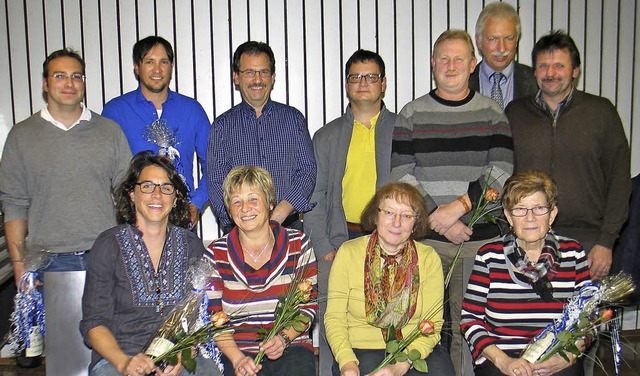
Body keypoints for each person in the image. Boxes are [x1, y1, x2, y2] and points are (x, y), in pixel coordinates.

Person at [0, 48, 132, 370]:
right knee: (65, 360)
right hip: (49, 263)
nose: (69, 83)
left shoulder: (109, 132)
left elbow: (129, 196)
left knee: (110, 353)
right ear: (45, 84)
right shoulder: (22, 136)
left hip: (104, 257)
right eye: (60, 76)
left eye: (76, 76)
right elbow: (15, 205)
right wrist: (20, 268)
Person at [391, 29, 513, 374]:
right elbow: (401, 172)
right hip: (424, 240)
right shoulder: (411, 114)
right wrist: (435, 217)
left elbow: (501, 172)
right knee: (416, 326)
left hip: (478, 242)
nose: (451, 65)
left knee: (467, 328)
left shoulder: (493, 114)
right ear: (432, 63)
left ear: (473, 65)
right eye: (443, 58)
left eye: (459, 58)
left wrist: (459, 208)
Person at [303, 49, 411, 376]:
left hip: (390, 238)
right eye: (355, 77)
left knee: (393, 321)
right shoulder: (326, 136)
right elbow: (315, 196)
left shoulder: (403, 129)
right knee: (334, 320)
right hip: (341, 239)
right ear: (347, 84)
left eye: (371, 77)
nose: (363, 83)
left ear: (384, 84)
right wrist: (323, 247)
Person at [80, 153, 222, 376]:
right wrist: (123, 363)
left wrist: (184, 355)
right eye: (147, 186)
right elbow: (93, 322)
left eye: (166, 188)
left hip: (177, 357)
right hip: (119, 358)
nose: (157, 194)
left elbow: (201, 314)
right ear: (132, 195)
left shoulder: (191, 245)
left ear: (175, 198)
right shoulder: (108, 245)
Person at [505, 30, 631, 282]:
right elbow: (502, 176)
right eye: (543, 66)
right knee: (527, 319)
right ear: (535, 71)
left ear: (575, 70)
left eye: (559, 65)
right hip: (527, 236)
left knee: (584, 320)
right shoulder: (515, 113)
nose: (550, 73)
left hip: (589, 240)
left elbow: (619, 182)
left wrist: (607, 241)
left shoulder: (601, 112)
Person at [461, 170, 590, 376]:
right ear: (508, 216)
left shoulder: (573, 253)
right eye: (520, 209)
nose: (530, 218)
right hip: (501, 357)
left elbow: (587, 317)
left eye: (539, 208)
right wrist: (503, 362)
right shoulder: (489, 256)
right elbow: (470, 319)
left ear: (552, 214)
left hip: (555, 354)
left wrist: (566, 357)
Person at [325, 182, 454, 376]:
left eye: (407, 216)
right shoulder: (349, 253)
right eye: (389, 213)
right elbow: (334, 318)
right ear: (375, 216)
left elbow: (433, 323)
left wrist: (402, 364)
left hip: (415, 350)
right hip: (360, 350)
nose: (396, 223)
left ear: (415, 224)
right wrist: (347, 362)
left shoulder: (428, 258)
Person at [205, 166, 317, 376]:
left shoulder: (299, 244)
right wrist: (238, 359)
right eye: (236, 201)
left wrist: (283, 338)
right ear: (229, 210)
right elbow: (213, 318)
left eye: (253, 199)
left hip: (291, 346)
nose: (245, 208)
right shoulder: (215, 254)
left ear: (270, 203)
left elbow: (307, 306)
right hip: (237, 350)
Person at [206, 41, 316, 233]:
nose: (257, 79)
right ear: (236, 77)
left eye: (263, 72)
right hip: (239, 230)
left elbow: (307, 172)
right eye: (249, 72)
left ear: (272, 77)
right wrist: (240, 220)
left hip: (287, 227)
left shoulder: (294, 119)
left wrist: (278, 215)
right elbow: (216, 181)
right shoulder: (222, 126)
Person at [102, 36, 210, 227]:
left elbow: (214, 165)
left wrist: (196, 204)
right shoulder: (115, 111)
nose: (157, 69)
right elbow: (105, 170)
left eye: (164, 62)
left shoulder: (192, 110)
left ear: (171, 67)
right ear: (137, 67)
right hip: (134, 224)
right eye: (149, 62)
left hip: (180, 223)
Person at [469, 2, 538, 108]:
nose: (501, 48)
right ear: (479, 41)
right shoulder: (464, 82)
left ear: (516, 40)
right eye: (493, 39)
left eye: (509, 38)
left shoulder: (537, 81)